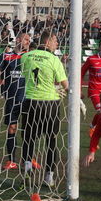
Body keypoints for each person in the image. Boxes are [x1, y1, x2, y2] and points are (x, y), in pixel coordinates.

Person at [21, 31, 69, 186]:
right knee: (51, 141)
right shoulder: (55, 60)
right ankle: (49, 176)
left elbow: (24, 75)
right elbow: (65, 85)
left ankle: (27, 172)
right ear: (48, 41)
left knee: (28, 140)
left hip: (30, 103)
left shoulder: (26, 56)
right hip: (50, 104)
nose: (57, 45)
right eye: (55, 41)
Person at [0, 33, 39, 170]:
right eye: (26, 39)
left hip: (28, 98)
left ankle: (29, 158)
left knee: (30, 130)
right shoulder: (6, 56)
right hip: (12, 98)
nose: (29, 42)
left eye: (29, 40)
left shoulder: (30, 56)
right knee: (12, 128)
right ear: (18, 40)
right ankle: (11, 161)